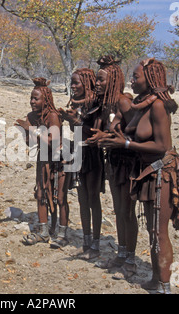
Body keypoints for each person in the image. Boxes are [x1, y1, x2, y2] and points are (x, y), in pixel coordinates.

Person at [99, 58, 179, 294]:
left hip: (161, 172)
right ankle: (157, 279)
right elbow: (125, 127)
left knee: (158, 231)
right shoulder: (140, 104)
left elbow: (163, 146)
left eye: (136, 77)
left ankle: (164, 286)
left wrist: (125, 144)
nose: (132, 80)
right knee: (152, 230)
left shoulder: (158, 106)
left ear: (151, 80)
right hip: (147, 172)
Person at [86, 56, 139, 279]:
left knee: (128, 211)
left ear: (114, 81)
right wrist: (103, 136)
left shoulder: (124, 102)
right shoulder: (107, 104)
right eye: (96, 80)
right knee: (118, 211)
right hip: (114, 162)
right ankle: (121, 253)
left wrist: (114, 138)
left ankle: (131, 260)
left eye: (101, 80)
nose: (96, 83)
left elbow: (140, 132)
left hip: (128, 164)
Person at [16, 78, 71, 247]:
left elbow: (53, 142)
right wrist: (26, 131)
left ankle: (62, 234)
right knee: (41, 195)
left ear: (45, 99)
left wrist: (31, 130)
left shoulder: (53, 116)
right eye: (31, 98)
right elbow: (31, 143)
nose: (32, 101)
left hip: (60, 160)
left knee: (60, 198)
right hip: (43, 160)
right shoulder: (31, 116)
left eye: (36, 98)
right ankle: (43, 232)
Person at [58, 68, 105, 259]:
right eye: (72, 82)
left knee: (93, 199)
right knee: (82, 199)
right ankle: (86, 243)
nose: (73, 86)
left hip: (92, 154)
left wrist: (75, 121)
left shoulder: (97, 105)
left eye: (77, 82)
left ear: (87, 83)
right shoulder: (78, 105)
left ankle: (95, 245)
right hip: (78, 152)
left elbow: (94, 132)